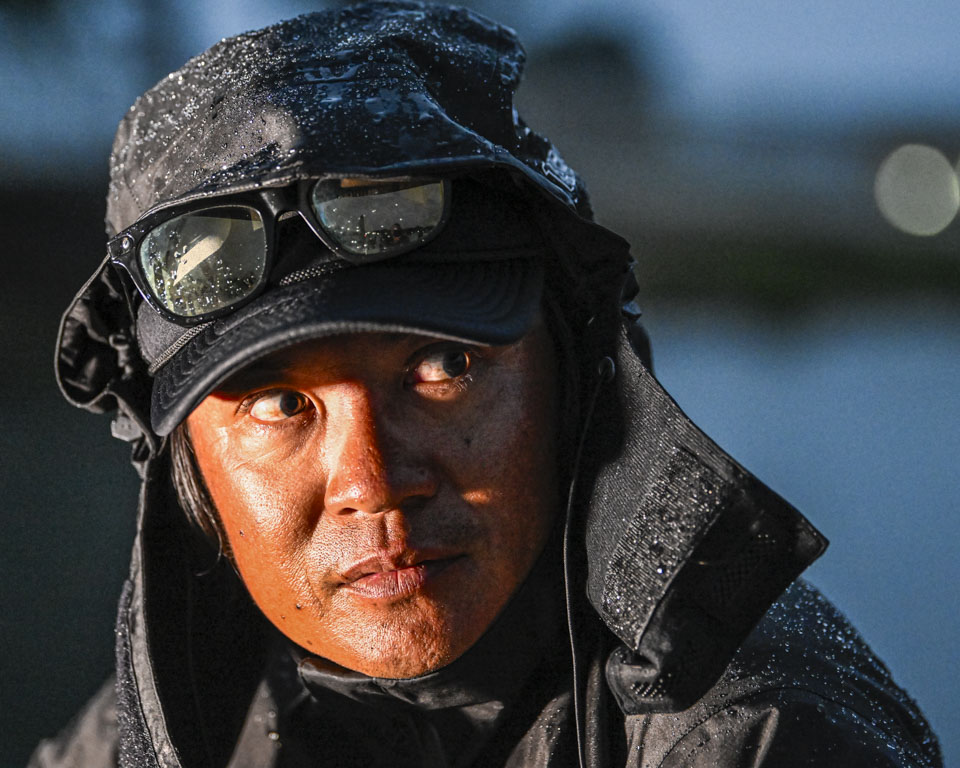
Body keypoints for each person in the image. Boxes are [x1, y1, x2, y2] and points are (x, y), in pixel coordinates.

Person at [34, 3, 941, 767]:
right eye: (280, 405)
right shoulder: (129, 740)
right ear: (185, 470)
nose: (373, 483)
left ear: (577, 382)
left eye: (443, 368)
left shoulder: (758, 735)